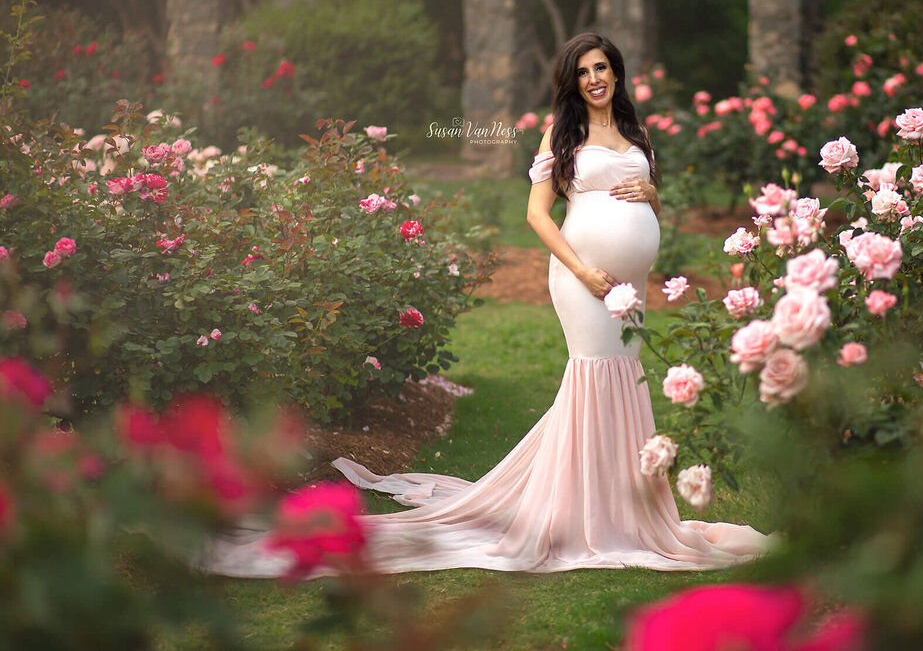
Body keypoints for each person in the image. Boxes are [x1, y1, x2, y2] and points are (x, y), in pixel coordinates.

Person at [204, 33, 771, 576]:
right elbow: (536, 215)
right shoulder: (561, 134)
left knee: (626, 376)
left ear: (616, 72)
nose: (594, 78)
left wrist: (650, 193)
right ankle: (583, 517)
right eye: (583, 72)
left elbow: (648, 199)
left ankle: (628, 508)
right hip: (581, 277)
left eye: (601, 68)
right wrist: (583, 270)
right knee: (595, 373)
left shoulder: (634, 130)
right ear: (571, 83)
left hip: (631, 284)